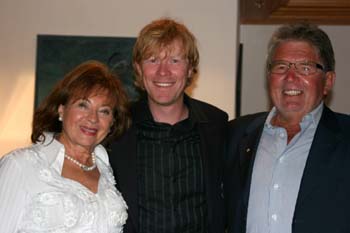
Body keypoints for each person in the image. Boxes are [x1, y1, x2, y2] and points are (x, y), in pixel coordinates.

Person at [225, 23, 350, 233]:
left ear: (327, 81)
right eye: (281, 67)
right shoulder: (236, 134)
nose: (290, 78)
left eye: (305, 67)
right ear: (269, 77)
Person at [109, 18, 228, 233]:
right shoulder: (115, 127)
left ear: (190, 69)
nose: (163, 72)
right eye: (152, 60)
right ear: (138, 68)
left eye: (174, 60)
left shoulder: (217, 125)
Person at [0, 60, 131, 232]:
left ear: (112, 121)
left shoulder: (108, 170)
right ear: (61, 110)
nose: (93, 118)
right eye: (83, 105)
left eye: (104, 111)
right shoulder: (20, 165)